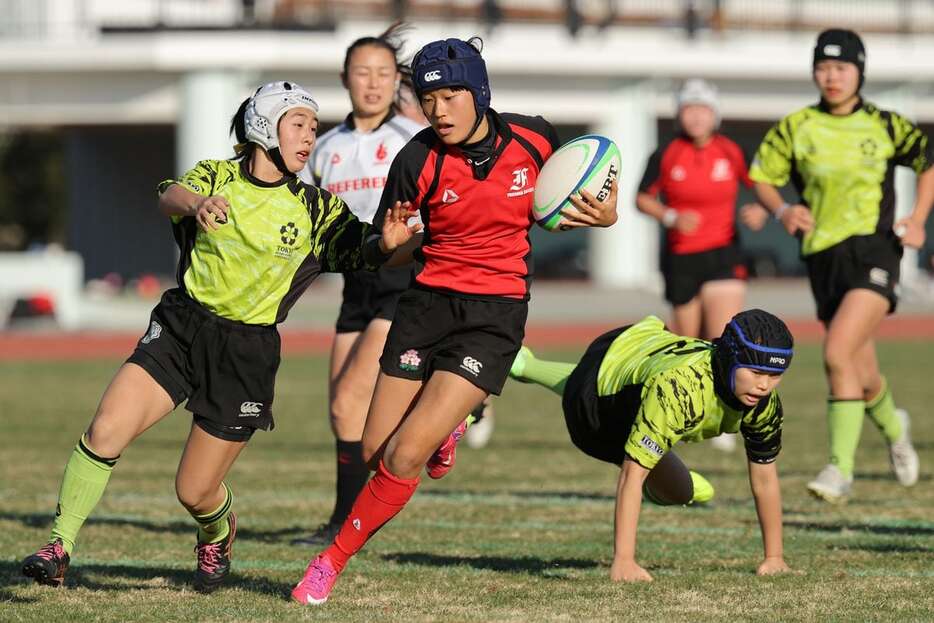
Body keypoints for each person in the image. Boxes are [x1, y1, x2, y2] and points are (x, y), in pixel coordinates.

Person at [19, 81, 419, 591]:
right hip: (181, 328)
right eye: (298, 125)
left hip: (245, 354)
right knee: (105, 429)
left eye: (313, 129)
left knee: (194, 490)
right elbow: (168, 194)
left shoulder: (316, 209)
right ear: (262, 127)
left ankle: (217, 530)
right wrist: (197, 203)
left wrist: (393, 242)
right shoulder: (216, 177)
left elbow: (369, 250)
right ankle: (59, 547)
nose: (308, 138)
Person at [291, 36, 619, 605]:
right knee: (374, 452)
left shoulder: (536, 138)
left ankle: (329, 562)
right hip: (423, 305)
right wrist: (390, 243)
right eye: (427, 98)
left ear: (479, 91)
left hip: (494, 315)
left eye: (450, 95)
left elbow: (574, 194)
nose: (437, 110)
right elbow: (388, 246)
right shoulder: (416, 159)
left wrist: (603, 213)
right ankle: (449, 426)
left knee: (404, 456)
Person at [750, 28, 931, 502]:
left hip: (875, 252)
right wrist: (783, 210)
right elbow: (762, 176)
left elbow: (928, 162)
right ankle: (896, 430)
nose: (831, 77)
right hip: (823, 258)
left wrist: (919, 220)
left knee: (837, 351)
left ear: (859, 72)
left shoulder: (887, 124)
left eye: (841, 68)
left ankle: (840, 470)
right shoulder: (796, 127)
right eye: (823, 68)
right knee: (860, 367)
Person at [509, 310, 794, 582]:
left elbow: (765, 479)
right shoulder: (679, 391)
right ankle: (522, 368)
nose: (764, 386)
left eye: (774, 375)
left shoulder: (765, 405)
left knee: (680, 489)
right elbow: (632, 475)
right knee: (587, 389)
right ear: (729, 358)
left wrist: (775, 557)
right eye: (756, 372)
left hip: (639, 357)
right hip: (601, 412)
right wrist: (624, 560)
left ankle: (525, 365)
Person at [290, 24, 431, 547]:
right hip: (356, 283)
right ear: (344, 80)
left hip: (401, 278)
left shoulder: (411, 141)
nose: (372, 84)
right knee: (340, 408)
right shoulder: (324, 148)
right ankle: (343, 518)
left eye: (383, 74)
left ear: (397, 81)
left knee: (353, 395)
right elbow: (307, 218)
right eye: (361, 73)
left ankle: (349, 525)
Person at [636, 79, 769, 452]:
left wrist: (762, 209)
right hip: (681, 258)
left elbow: (763, 187)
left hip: (723, 253)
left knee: (723, 333)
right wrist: (671, 217)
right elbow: (641, 199)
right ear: (680, 114)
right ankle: (683, 411)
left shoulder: (730, 150)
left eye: (702, 109)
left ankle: (726, 418)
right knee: (687, 342)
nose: (695, 116)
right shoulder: (666, 153)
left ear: (714, 115)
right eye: (688, 108)